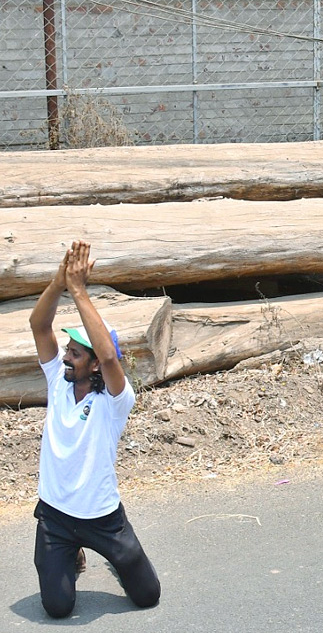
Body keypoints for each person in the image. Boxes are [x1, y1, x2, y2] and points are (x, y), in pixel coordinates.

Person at [28, 241, 160, 618]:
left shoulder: (115, 402)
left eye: (75, 353)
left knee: (148, 595)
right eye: (67, 349)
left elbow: (107, 355)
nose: (66, 356)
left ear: (96, 366)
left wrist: (80, 291)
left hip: (103, 518)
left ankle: (106, 556)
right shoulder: (58, 381)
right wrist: (58, 283)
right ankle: (70, 553)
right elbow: (39, 324)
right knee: (57, 607)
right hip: (55, 515)